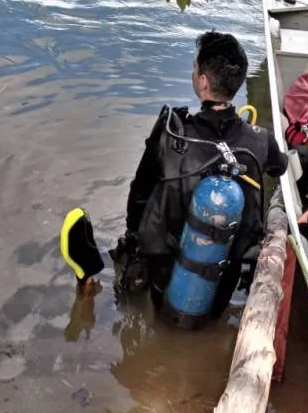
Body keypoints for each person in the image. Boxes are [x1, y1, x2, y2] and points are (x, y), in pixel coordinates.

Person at [62, 31, 288, 323]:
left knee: (132, 287)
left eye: (195, 68)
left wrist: (133, 245)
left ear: (203, 82)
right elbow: (279, 167)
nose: (193, 73)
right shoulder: (260, 140)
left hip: (166, 273)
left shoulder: (169, 137)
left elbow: (139, 196)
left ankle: (89, 291)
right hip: (224, 279)